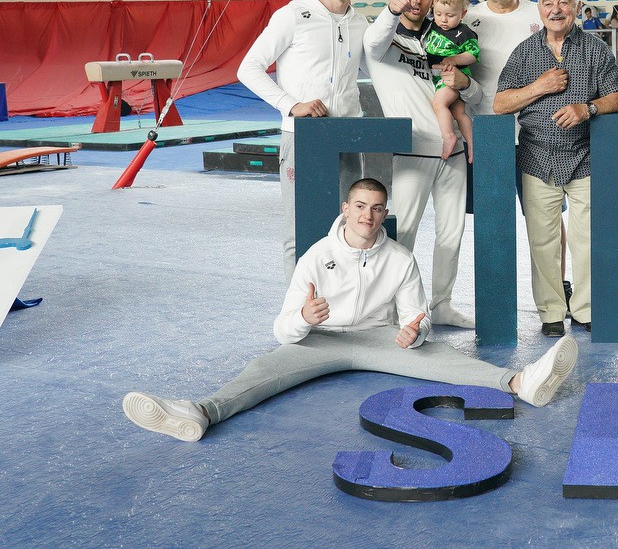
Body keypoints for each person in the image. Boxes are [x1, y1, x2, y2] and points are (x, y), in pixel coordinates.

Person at [122, 178, 580, 442]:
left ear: (384, 213)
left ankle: (521, 382)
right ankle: (200, 412)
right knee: (263, 369)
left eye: (377, 209)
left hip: (379, 338)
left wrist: (415, 334)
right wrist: (305, 320)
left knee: (443, 359)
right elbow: (283, 330)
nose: (368, 215)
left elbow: (416, 317)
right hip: (321, 340)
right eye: (360, 206)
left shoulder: (400, 259)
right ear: (346, 208)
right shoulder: (315, 256)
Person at [493, 0, 618, 337]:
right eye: (548, 3)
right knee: (543, 241)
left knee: (588, 240)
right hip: (536, 157)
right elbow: (500, 103)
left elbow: (615, 98)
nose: (556, 10)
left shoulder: (596, 49)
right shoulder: (524, 52)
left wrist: (587, 108)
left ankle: (586, 309)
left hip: (585, 156)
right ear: (539, 9)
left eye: (564, 2)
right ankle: (551, 311)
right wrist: (539, 87)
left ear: (577, 7)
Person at [238, 0, 370, 278]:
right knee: (300, 230)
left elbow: (380, 73)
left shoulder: (360, 24)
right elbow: (248, 68)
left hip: (347, 137)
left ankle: (340, 301)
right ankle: (298, 306)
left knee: (349, 228)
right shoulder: (293, 15)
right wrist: (291, 105)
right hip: (304, 137)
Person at [362, 0, 478, 330]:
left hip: (452, 150)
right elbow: (371, 43)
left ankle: (441, 304)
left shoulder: (441, 37)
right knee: (404, 232)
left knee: (451, 233)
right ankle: (391, 307)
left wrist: (466, 84)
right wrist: (391, 10)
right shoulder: (383, 39)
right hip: (412, 150)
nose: (418, 0)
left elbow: (470, 90)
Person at [464, 0, 572, 306]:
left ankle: (559, 286)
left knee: (547, 219)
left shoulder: (538, 14)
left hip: (538, 136)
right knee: (492, 223)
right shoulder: (468, 20)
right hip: (488, 136)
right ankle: (496, 297)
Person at [425, 0, 478, 161]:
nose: (443, 20)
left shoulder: (464, 32)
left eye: (450, 15)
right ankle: (473, 146)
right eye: (438, 14)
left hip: (453, 77)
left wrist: (454, 59)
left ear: (463, 14)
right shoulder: (431, 27)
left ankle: (448, 136)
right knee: (459, 112)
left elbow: (473, 54)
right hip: (438, 76)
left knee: (439, 104)